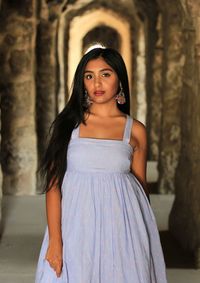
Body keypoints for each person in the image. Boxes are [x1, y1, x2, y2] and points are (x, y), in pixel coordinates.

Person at [35, 47, 168, 283]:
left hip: (123, 229)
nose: (97, 82)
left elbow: (140, 187)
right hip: (76, 226)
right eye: (89, 76)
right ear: (82, 82)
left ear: (120, 79)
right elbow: (53, 187)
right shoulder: (68, 125)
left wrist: (143, 239)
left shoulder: (134, 130)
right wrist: (56, 241)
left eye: (105, 74)